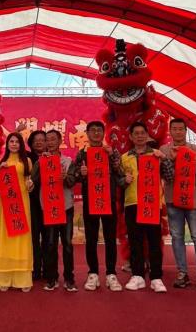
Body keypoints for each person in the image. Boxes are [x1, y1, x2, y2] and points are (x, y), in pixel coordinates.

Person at [68, 121, 125, 292]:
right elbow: (75, 176)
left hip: (108, 199)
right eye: (92, 130)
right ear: (87, 133)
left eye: (99, 130)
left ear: (103, 133)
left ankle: (111, 274)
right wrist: (81, 174)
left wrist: (112, 155)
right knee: (91, 238)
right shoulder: (82, 154)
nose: (96, 133)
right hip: (90, 200)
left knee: (110, 238)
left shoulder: (110, 151)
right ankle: (92, 273)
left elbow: (120, 172)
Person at [121, 122, 174, 293]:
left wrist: (164, 159)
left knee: (154, 240)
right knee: (135, 240)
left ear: (147, 135)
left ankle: (156, 277)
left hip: (151, 202)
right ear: (131, 137)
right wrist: (123, 180)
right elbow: (118, 182)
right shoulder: (124, 157)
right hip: (132, 203)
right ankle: (137, 276)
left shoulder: (156, 155)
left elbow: (170, 176)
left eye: (142, 133)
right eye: (136, 133)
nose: (139, 136)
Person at [159, 119, 196, 292]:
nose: (178, 132)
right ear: (170, 131)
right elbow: (163, 174)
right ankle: (182, 273)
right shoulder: (164, 150)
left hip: (193, 199)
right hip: (173, 198)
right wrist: (171, 160)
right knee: (177, 236)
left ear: (185, 131)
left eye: (181, 129)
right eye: (175, 129)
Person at [30, 130, 77, 292]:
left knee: (67, 244)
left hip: (66, 207)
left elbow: (72, 181)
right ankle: (52, 278)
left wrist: (66, 177)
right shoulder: (41, 161)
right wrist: (39, 164)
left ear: (60, 141)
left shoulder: (68, 161)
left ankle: (69, 279)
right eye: (47, 140)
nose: (49, 142)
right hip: (49, 207)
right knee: (50, 244)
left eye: (52, 139)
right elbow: (33, 180)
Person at [0, 132, 34, 291]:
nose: (14, 144)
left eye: (17, 142)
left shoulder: (27, 161)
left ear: (21, 144)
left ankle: (22, 279)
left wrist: (30, 185)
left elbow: (28, 181)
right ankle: (4, 278)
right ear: (7, 144)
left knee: (21, 236)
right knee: (6, 237)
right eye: (11, 141)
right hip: (6, 204)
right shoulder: (1, 161)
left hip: (21, 203)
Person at [26, 130, 47, 280]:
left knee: (48, 238)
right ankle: (35, 269)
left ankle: (48, 269)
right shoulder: (26, 158)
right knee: (33, 238)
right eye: (36, 140)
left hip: (49, 203)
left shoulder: (52, 157)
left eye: (42, 140)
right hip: (32, 203)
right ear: (31, 144)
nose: (39, 142)